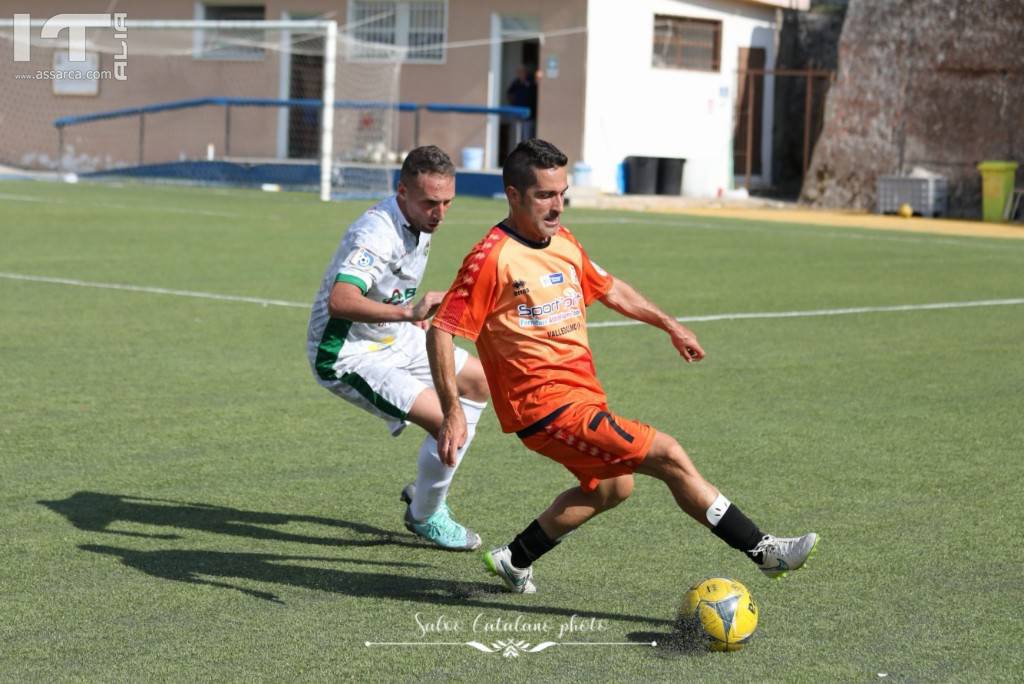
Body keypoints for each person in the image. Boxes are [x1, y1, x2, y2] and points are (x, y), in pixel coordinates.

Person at [426, 139, 817, 592]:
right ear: (514, 196)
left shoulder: (562, 241)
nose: (557, 207)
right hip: (544, 409)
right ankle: (763, 551)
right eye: (544, 196)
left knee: (613, 488)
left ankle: (515, 558)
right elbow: (443, 328)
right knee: (668, 454)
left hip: (581, 397)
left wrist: (669, 324)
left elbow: (610, 288)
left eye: (562, 194)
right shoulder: (491, 258)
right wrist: (452, 408)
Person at [306, 145, 489, 551]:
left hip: (392, 333)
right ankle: (426, 514)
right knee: (448, 422)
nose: (439, 213)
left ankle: (425, 492)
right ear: (401, 191)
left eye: (447, 202)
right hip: (347, 352)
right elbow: (341, 300)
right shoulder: (376, 233)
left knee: (477, 382)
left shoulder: (418, 220)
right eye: (430, 203)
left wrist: (408, 313)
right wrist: (408, 311)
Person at [506, 66, 538, 141]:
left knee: (527, 137)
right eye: (519, 72)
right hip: (517, 113)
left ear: (525, 73)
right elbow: (509, 93)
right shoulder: (516, 82)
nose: (520, 74)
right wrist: (512, 104)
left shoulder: (531, 81)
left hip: (528, 115)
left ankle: (526, 151)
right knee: (517, 135)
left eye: (522, 72)